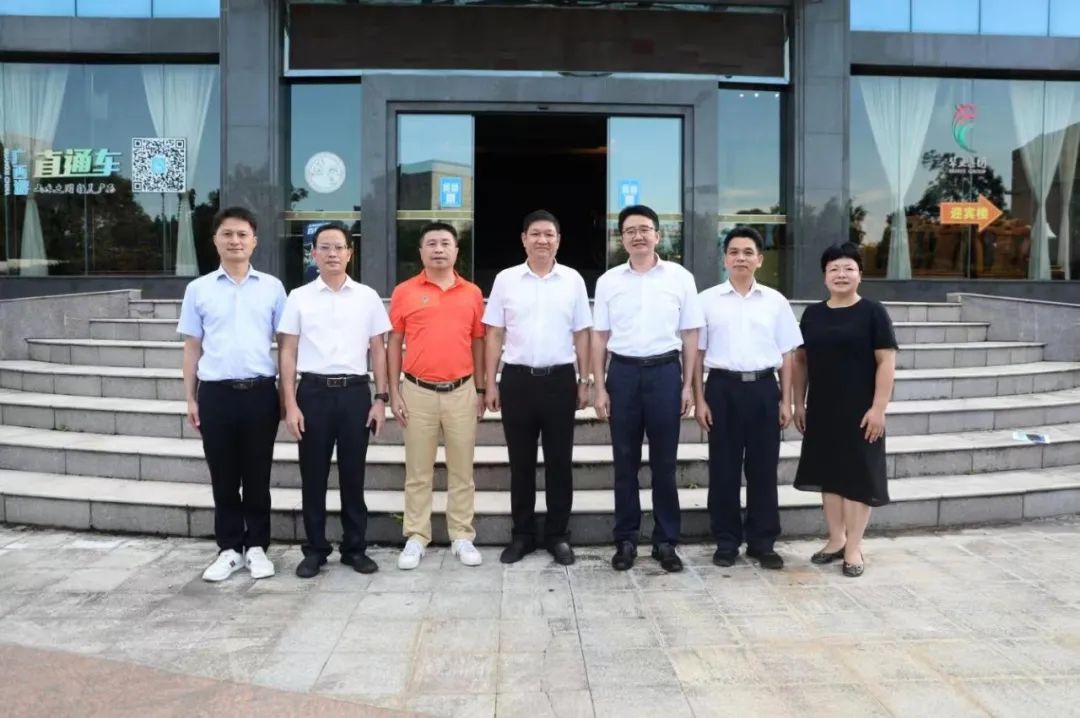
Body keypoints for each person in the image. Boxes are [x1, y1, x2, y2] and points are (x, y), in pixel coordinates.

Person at [592, 204, 704, 573]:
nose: (638, 236)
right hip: (622, 374)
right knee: (624, 462)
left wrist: (687, 385)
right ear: (621, 238)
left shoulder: (680, 277)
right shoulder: (609, 281)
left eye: (644, 229)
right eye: (630, 231)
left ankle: (665, 541)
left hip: (665, 374)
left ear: (658, 234)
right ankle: (625, 539)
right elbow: (599, 337)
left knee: (664, 464)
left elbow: (690, 334)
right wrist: (599, 387)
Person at [278, 222, 391, 578]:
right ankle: (315, 549)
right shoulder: (298, 297)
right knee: (313, 476)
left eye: (338, 247)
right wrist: (290, 404)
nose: (332, 254)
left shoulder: (367, 297)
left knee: (353, 476)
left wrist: (381, 398)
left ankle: (354, 548)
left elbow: (378, 349)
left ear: (349, 253)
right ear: (313, 253)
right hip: (312, 393)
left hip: (355, 394)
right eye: (324, 247)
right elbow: (287, 352)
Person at [178, 206, 285, 583]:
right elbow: (192, 346)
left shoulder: (272, 287)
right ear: (215, 240)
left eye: (242, 235)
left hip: (260, 393)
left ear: (254, 241)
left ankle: (256, 547)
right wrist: (191, 397)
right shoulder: (199, 289)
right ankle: (229, 549)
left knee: (257, 474)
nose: (235, 241)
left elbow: (287, 344)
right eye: (227, 234)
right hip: (216, 395)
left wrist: (287, 394)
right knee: (222, 475)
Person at [483, 210, 592, 566]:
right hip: (517, 380)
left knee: (560, 461)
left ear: (558, 240)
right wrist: (490, 382)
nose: (542, 240)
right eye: (535, 234)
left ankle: (558, 535)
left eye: (549, 234)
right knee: (521, 463)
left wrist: (585, 380)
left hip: (560, 380)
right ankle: (523, 534)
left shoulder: (573, 280)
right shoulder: (506, 280)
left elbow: (582, 333)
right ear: (524, 239)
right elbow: (494, 334)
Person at [693, 226, 802, 571]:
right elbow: (696, 354)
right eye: (734, 252)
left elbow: (787, 354)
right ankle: (726, 542)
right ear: (725, 259)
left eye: (748, 252)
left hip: (763, 390)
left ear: (760, 259)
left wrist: (786, 401)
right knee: (723, 470)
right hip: (721, 389)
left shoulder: (775, 301)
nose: (741, 258)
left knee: (763, 469)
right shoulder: (706, 300)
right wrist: (699, 399)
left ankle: (762, 542)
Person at [793, 242, 897, 578]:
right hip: (822, 409)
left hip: (861, 411)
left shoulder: (873, 312)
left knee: (857, 478)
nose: (841, 274)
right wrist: (798, 403)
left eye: (848, 268)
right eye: (834, 269)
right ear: (824, 276)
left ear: (860, 275)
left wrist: (878, 408)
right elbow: (800, 361)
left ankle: (854, 546)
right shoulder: (812, 314)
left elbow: (886, 362)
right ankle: (836, 539)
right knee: (830, 476)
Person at [388, 222, 486, 570]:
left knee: (462, 470)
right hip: (417, 391)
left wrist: (481, 388)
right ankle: (416, 536)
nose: (439, 249)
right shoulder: (404, 292)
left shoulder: (472, 293)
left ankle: (461, 535)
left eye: (446, 243)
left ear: (457, 251)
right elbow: (394, 342)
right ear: (421, 251)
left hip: (461, 391)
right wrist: (393, 391)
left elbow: (478, 341)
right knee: (418, 471)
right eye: (432, 243)